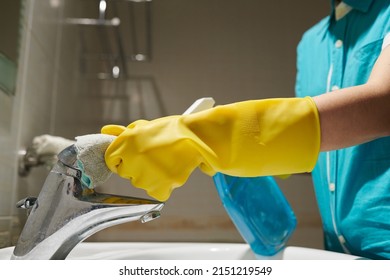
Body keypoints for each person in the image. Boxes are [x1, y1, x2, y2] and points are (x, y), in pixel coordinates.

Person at [101, 0, 390, 259]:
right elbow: (324, 143)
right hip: (339, 254)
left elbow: (381, 106)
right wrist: (246, 154)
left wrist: (213, 135)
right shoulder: (311, 43)